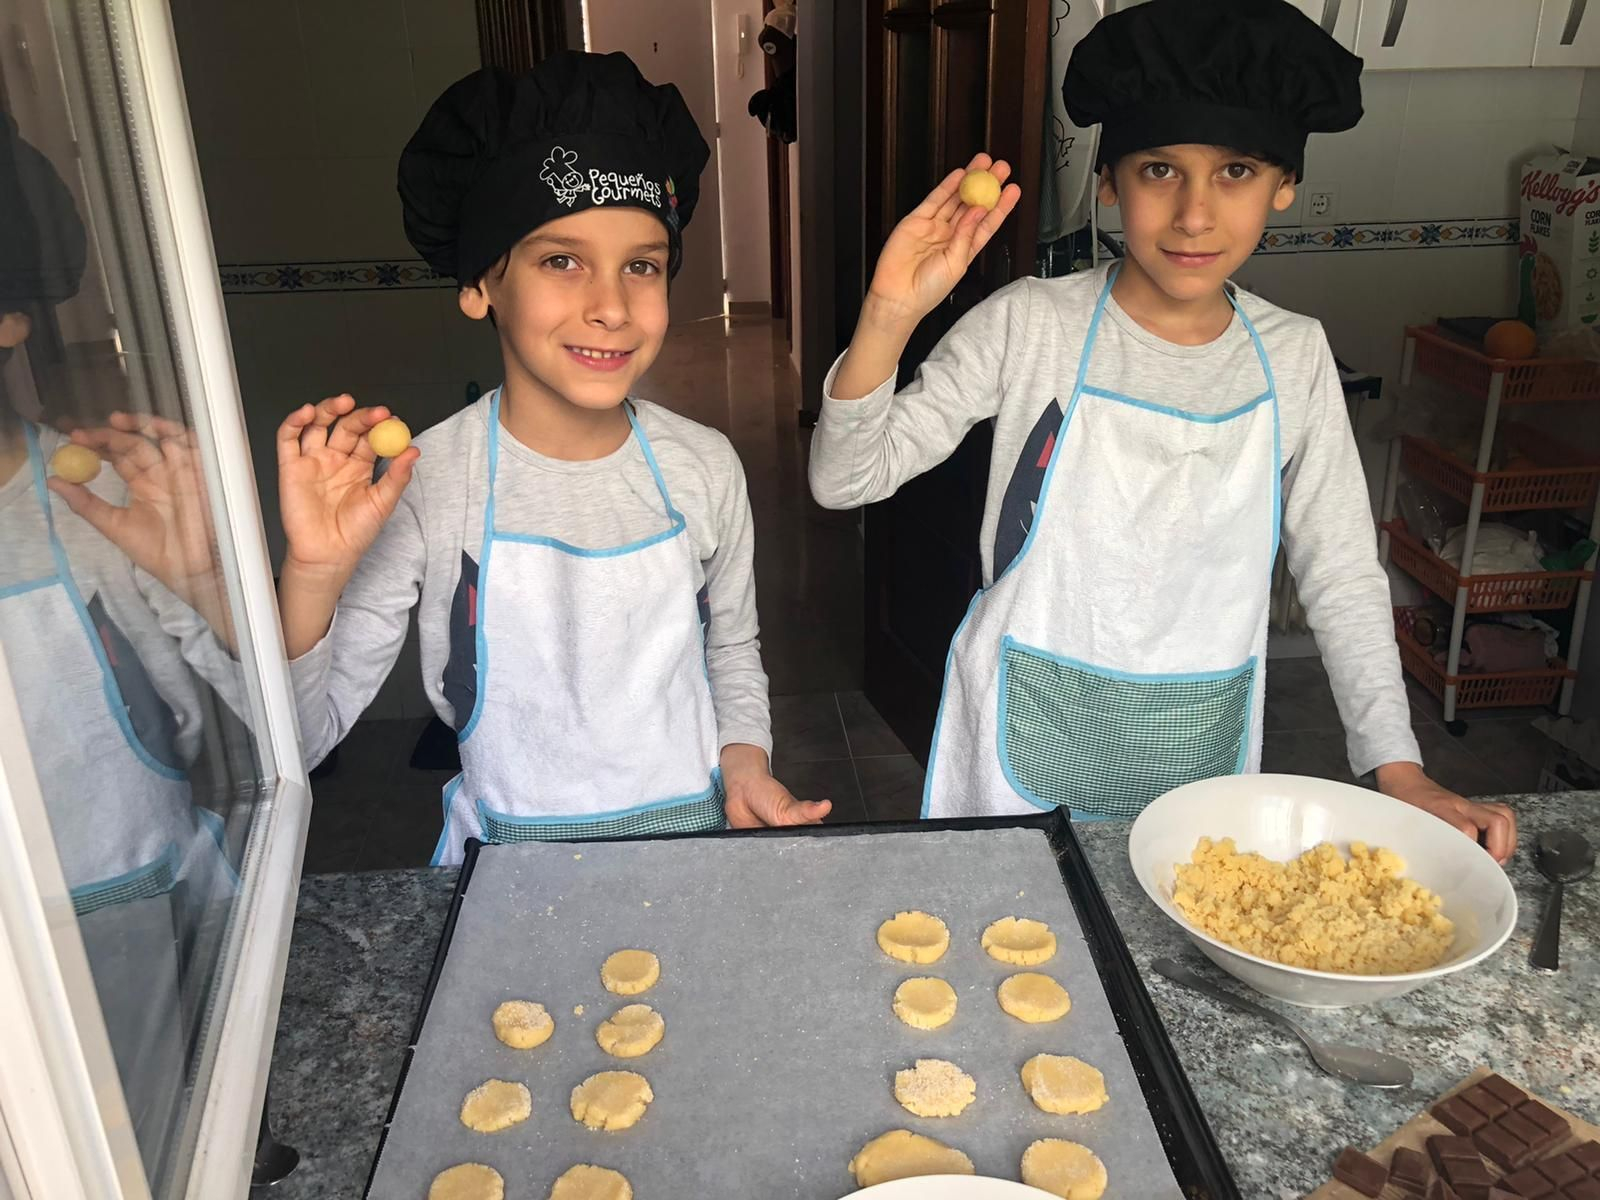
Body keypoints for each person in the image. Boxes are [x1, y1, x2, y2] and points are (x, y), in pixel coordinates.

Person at [808, 0, 1517, 861]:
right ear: (1108, 180)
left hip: (1198, 759)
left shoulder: (1290, 358)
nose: (1193, 215)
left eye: (1237, 172)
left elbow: (1340, 569)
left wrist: (1398, 767)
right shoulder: (1033, 325)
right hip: (1016, 744)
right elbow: (843, 480)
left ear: (1284, 185)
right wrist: (888, 313)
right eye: (1158, 171)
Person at [277, 52, 826, 865]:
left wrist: (744, 760)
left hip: (693, 853)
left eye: (642, 264)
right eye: (561, 260)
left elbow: (730, 648)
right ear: (479, 286)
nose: (610, 306)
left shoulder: (704, 467)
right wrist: (314, 575)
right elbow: (300, 737)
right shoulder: (424, 484)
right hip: (504, 871)